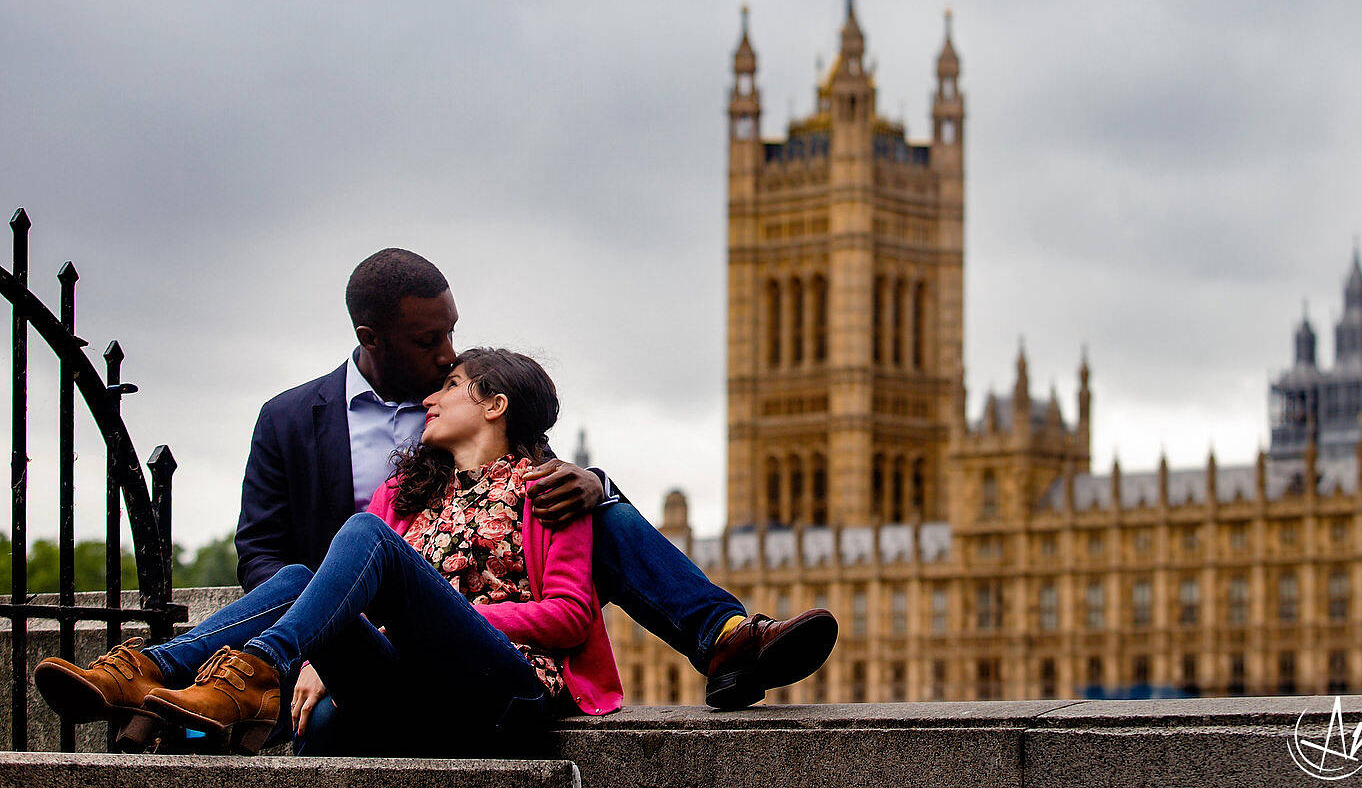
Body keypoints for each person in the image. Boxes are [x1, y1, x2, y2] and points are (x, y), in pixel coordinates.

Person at [234, 249, 836, 726]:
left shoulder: (462, 402)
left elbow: (532, 480)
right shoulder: (290, 420)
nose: (447, 356)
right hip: (354, 636)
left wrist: (594, 482)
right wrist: (331, 621)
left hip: (469, 631)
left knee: (593, 507)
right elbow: (261, 554)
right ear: (371, 339)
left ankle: (724, 636)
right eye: (429, 342)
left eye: (452, 335)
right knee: (352, 547)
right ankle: (180, 667)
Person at [35, 348, 621, 756]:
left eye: (450, 385)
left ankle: (253, 673)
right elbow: (347, 591)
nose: (430, 396)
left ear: (494, 404)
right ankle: (154, 668)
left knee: (367, 541)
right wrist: (327, 652)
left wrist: (425, 616)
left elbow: (571, 614)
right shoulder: (405, 491)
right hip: (410, 694)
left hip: (502, 695)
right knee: (296, 577)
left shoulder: (547, 489)